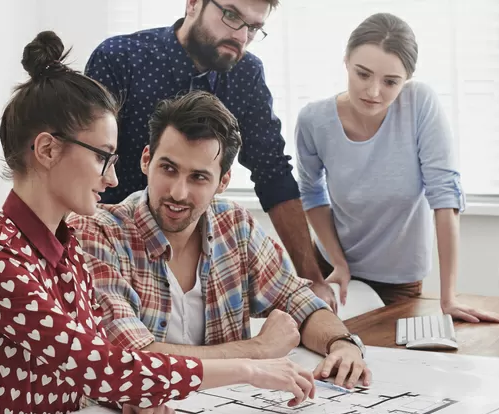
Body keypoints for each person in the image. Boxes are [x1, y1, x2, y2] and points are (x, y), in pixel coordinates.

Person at [0, 31, 317, 414]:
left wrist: (125, 398)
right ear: (46, 149)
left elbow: (93, 366)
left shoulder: (66, 247)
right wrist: (254, 367)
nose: (112, 178)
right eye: (102, 157)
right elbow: (102, 364)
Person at [67, 90, 371, 392]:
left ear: (223, 182)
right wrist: (258, 351)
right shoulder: (97, 233)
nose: (178, 192)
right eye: (168, 169)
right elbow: (132, 357)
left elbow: (297, 300)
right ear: (147, 160)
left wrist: (343, 345)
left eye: (198, 177)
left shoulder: (235, 225)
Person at [84, 0, 338, 309]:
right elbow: (86, 160)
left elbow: (273, 173)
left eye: (254, 27)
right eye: (231, 15)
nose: (241, 36)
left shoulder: (247, 74)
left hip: (198, 262)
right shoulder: (120, 58)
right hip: (114, 253)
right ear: (193, 4)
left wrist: (312, 280)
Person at [295, 13, 499, 323]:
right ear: (346, 62)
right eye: (363, 74)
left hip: (399, 280)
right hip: (333, 269)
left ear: (407, 79)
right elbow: (312, 193)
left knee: (393, 362)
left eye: (390, 82)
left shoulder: (419, 104)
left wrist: (448, 297)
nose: (373, 91)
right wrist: (339, 263)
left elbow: (444, 195)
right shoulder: (314, 120)